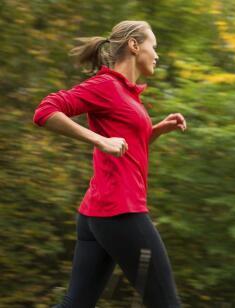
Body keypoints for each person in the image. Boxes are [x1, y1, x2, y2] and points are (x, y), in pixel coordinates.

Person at [32, 20, 185, 308]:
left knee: (75, 304)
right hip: (120, 210)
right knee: (166, 304)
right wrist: (98, 140)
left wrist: (157, 130)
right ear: (134, 45)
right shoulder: (105, 86)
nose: (157, 54)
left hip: (97, 212)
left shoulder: (128, 94)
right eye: (154, 46)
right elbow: (45, 111)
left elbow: (126, 147)